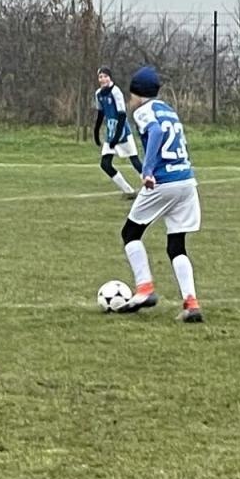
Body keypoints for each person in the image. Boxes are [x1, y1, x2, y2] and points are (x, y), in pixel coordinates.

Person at [118, 66, 203, 322]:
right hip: (186, 181)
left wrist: (147, 170)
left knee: (130, 233)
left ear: (137, 93)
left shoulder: (143, 111)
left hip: (164, 181)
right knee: (176, 245)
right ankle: (191, 304)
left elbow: (155, 132)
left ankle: (144, 288)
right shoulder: (168, 110)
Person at [92, 66, 140, 196]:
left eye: (105, 76)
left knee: (134, 160)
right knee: (105, 164)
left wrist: (117, 136)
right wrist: (96, 132)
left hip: (122, 131)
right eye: (100, 77)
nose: (103, 79)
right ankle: (128, 191)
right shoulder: (98, 94)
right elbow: (100, 114)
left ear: (110, 77)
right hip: (111, 131)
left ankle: (153, 187)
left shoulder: (116, 91)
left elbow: (122, 115)